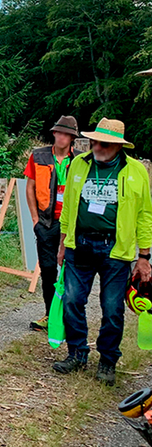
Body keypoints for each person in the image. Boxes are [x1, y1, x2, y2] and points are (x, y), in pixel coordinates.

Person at [56, 118, 152, 386]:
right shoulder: (79, 164)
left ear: (117, 146)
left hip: (115, 250)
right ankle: (77, 353)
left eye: (103, 143)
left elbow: (145, 216)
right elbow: (68, 208)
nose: (97, 146)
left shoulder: (135, 171)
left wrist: (144, 257)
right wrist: (63, 244)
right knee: (73, 301)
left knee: (111, 309)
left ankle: (108, 361)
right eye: (95, 141)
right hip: (80, 245)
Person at [24, 116, 78, 331]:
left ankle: (69, 317)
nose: (62, 137)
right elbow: (30, 187)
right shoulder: (39, 155)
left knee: (70, 270)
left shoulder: (80, 161)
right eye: (59, 132)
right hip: (46, 222)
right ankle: (49, 315)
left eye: (67, 134)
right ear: (54, 133)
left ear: (72, 138)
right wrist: (35, 219)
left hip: (72, 224)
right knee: (48, 270)